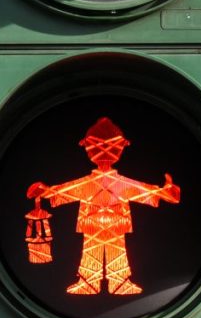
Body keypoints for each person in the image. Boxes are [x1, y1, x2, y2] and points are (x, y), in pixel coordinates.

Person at [27, 117, 180, 295]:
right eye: (98, 146)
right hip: (97, 223)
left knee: (114, 253)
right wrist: (46, 191)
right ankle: (92, 283)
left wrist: (164, 193)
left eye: (109, 146)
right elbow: (66, 191)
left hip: (112, 223)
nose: (104, 152)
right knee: (93, 253)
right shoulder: (96, 183)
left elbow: (143, 191)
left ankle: (117, 282)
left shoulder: (120, 183)